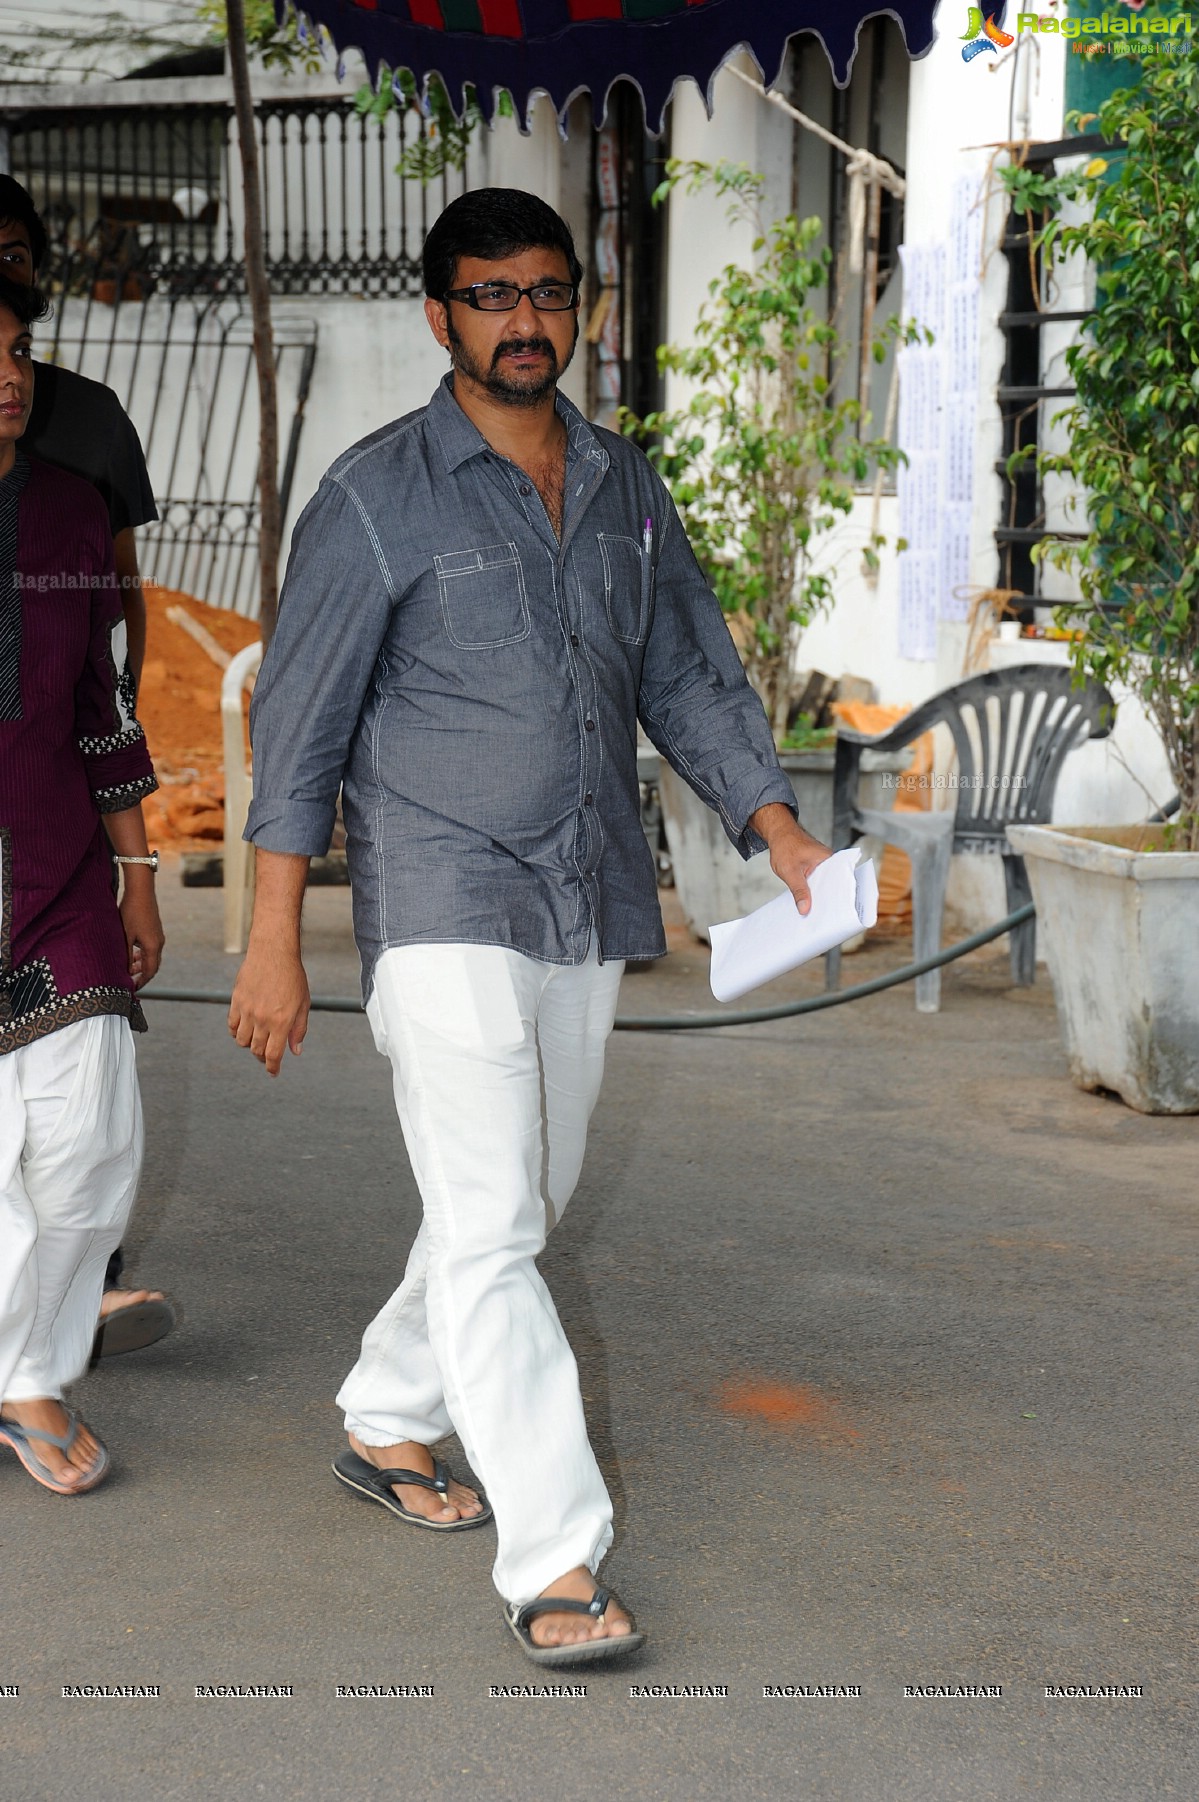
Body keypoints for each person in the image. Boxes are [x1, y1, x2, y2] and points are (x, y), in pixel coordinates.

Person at [229, 188, 830, 1664]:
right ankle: (555, 1558)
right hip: (435, 892)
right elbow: (298, 729)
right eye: (491, 296)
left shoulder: (625, 483)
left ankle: (387, 1409)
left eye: (547, 293)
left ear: (581, 307)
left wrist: (779, 829)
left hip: (582, 882)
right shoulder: (375, 494)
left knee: (514, 1196)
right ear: (438, 314)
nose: (523, 321)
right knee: (498, 1216)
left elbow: (685, 669)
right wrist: (269, 937)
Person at [0, 174, 173, 1359]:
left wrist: (142, 873)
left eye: (16, 347)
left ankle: (32, 1362)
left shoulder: (68, 510)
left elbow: (97, 702)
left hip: (60, 876)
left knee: (82, 1148)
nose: (11, 372)